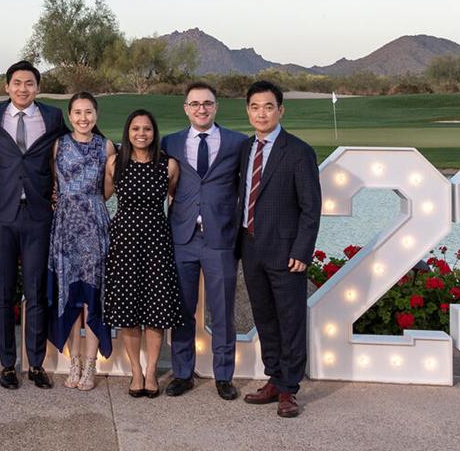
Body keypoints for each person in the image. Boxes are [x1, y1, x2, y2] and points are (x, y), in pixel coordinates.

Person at [0, 60, 66, 389]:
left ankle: (36, 363)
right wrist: (4, 179)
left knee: (36, 291)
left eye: (29, 83)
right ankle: (7, 364)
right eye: (17, 83)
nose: (23, 88)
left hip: (38, 214)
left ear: (37, 87)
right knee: (3, 291)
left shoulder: (52, 117)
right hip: (2, 213)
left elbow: (65, 149)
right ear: (7, 86)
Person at [237, 80, 321, 418]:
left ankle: (289, 389)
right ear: (248, 111)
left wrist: (302, 251)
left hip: (287, 253)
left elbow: (311, 208)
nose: (262, 113)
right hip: (251, 248)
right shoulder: (245, 149)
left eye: (268, 107)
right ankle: (273, 377)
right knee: (265, 319)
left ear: (280, 110)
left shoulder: (298, 151)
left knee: (290, 320)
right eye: (255, 107)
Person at [160, 82, 247, 400]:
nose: (201, 108)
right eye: (194, 103)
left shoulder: (238, 143)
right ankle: (183, 372)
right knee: (182, 309)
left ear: (216, 106)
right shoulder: (170, 142)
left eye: (207, 103)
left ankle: (224, 375)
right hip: (181, 238)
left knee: (222, 310)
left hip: (220, 238)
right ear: (186, 108)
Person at [103, 109, 184, 398]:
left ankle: (151, 373)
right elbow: (102, 196)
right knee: (128, 311)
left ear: (154, 132)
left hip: (157, 242)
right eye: (135, 128)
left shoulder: (169, 165)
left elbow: (175, 199)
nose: (141, 133)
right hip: (124, 241)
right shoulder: (115, 162)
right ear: (128, 131)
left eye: (147, 129)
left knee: (156, 309)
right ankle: (135, 372)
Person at [47, 92, 116, 391]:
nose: (83, 118)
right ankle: (72, 361)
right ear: (70, 115)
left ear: (96, 115)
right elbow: (54, 182)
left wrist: (87, 204)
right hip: (64, 227)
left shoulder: (107, 146)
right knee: (69, 293)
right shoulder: (58, 144)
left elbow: (108, 190)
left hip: (94, 225)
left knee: (92, 296)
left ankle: (91, 365)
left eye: (88, 112)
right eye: (77, 112)